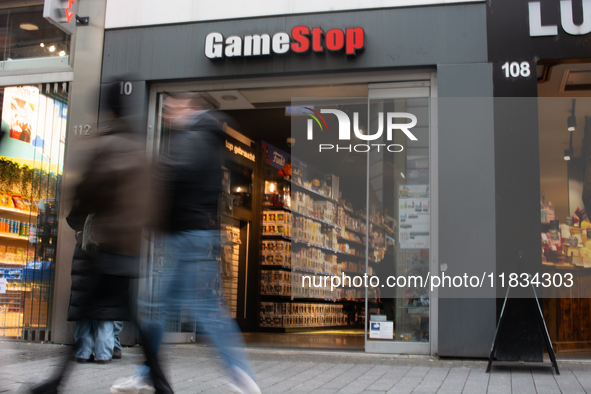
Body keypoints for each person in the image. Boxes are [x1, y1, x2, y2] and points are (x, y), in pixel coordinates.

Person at [110, 94, 260, 394]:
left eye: (173, 108)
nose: (168, 114)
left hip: (182, 236)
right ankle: (239, 374)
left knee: (159, 308)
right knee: (191, 308)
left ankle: (149, 374)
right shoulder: (209, 137)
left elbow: (173, 174)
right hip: (199, 233)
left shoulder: (192, 135)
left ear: (189, 108)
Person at [28, 82, 171, 394]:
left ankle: (55, 382)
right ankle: (160, 382)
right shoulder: (139, 148)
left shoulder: (107, 145)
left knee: (89, 308)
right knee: (124, 314)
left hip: (106, 246)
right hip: (129, 249)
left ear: (108, 110)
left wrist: (80, 216)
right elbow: (154, 202)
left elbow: (85, 194)